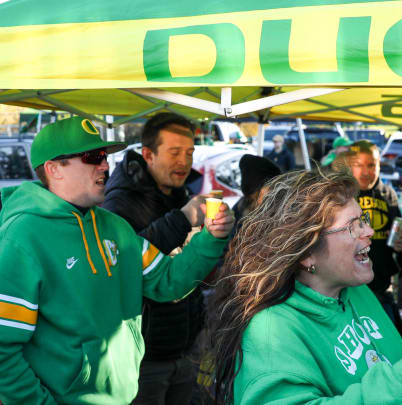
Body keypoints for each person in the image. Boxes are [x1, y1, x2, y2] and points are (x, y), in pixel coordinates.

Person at [207, 169, 402, 405]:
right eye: (353, 224)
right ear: (306, 252)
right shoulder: (271, 331)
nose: (369, 231)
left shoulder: (355, 289)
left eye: (364, 219)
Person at [0, 116, 234, 405]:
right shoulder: (22, 237)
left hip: (125, 396)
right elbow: (3, 351)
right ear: (53, 169)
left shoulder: (115, 227)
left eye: (105, 156)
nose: (105, 165)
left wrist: (211, 237)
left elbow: (168, 281)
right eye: (92, 157)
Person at [102, 112, 209, 405]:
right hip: (143, 356)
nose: (184, 162)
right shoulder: (119, 201)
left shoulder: (180, 193)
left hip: (184, 345)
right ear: (147, 154)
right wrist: (183, 218)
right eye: (174, 152)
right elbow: (123, 260)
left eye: (189, 153)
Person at [345, 141, 402, 337]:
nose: (365, 172)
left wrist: (400, 244)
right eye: (358, 165)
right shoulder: (341, 195)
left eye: (371, 165)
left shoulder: (388, 194)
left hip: (381, 285)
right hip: (349, 290)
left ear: (380, 165)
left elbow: (398, 233)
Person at [229, 153, 282, 240]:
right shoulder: (240, 208)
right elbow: (230, 244)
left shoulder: (281, 211)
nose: (274, 192)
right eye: (271, 186)